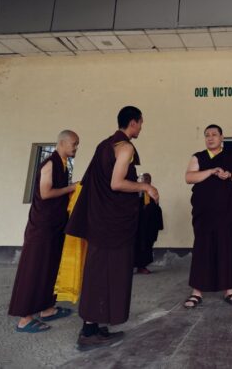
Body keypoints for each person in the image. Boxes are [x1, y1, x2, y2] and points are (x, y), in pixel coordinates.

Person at [66, 106, 159, 351]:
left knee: (104, 273)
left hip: (100, 220)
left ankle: (97, 325)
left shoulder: (104, 145)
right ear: (133, 122)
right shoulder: (125, 147)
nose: (141, 127)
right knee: (102, 273)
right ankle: (88, 331)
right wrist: (145, 188)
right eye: (141, 122)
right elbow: (116, 183)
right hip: (111, 225)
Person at [8, 130, 79, 333]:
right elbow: (45, 193)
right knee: (34, 270)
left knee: (49, 268)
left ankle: (47, 308)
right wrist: (71, 188)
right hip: (41, 227)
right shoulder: (50, 163)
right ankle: (24, 318)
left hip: (54, 226)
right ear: (63, 143)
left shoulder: (64, 165)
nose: (75, 148)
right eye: (74, 144)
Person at [184, 124, 232, 309]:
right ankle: (197, 292)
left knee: (226, 250)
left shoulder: (231, 158)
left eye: (214, 134)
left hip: (227, 213)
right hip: (204, 215)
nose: (210, 138)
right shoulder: (199, 157)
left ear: (222, 137)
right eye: (207, 135)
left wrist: (229, 175)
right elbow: (189, 177)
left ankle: (229, 291)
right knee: (202, 250)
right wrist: (211, 171)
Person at [134, 173, 164, 274]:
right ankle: (129, 267)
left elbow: (156, 204)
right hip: (137, 224)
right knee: (134, 244)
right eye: (143, 179)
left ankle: (142, 267)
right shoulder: (135, 190)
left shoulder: (152, 190)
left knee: (147, 245)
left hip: (148, 224)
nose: (145, 181)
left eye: (147, 179)